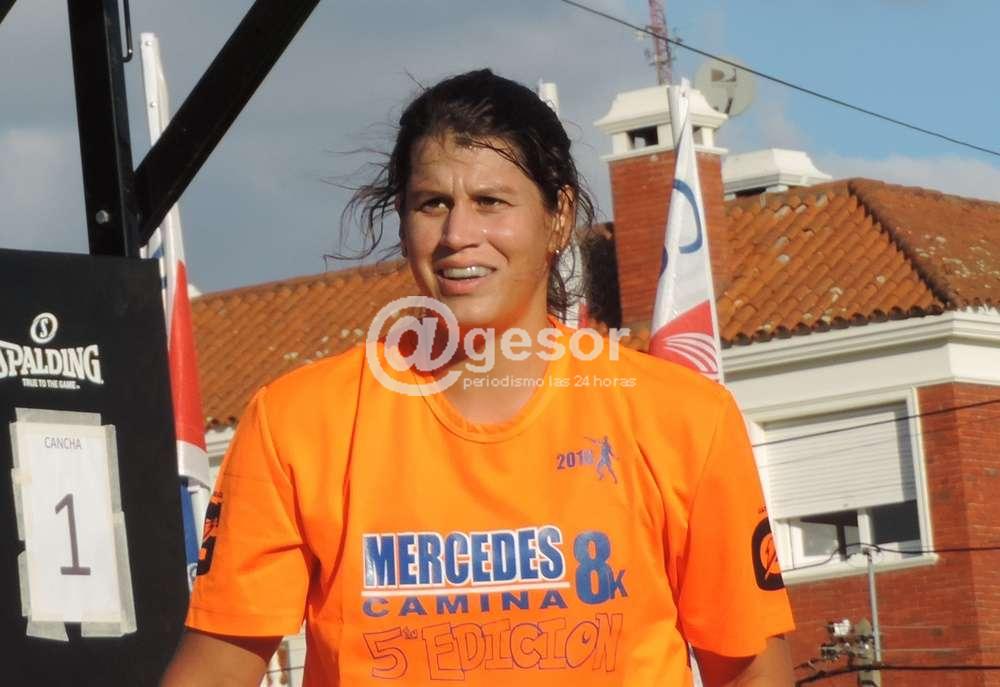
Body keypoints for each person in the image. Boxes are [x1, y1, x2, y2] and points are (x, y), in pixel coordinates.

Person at [161, 69, 795, 686]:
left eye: (490, 202)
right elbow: (217, 666)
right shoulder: (299, 423)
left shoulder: (683, 418)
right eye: (432, 204)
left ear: (557, 216)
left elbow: (752, 669)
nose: (458, 235)